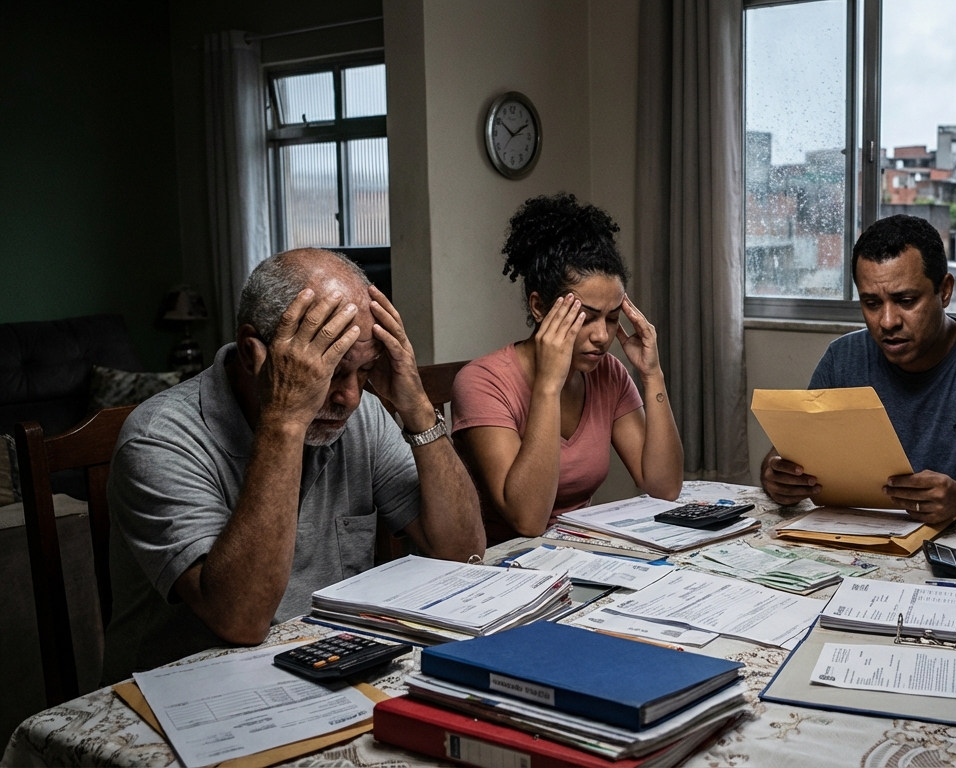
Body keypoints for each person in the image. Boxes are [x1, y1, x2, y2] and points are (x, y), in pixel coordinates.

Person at [103, 249, 484, 682]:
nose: (351, 398)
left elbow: (463, 555)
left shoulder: (363, 414)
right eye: (330, 372)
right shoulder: (159, 437)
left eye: (365, 371)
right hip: (186, 686)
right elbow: (241, 620)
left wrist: (415, 405)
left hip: (325, 661)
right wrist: (285, 420)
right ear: (252, 354)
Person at [760, 214, 956, 524]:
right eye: (871, 303)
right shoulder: (842, 359)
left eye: (906, 300)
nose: (887, 321)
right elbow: (781, 457)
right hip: (859, 538)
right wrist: (776, 477)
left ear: (945, 290)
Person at [453, 193, 683, 543]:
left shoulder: (608, 373)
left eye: (611, 318)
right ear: (539, 307)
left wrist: (653, 374)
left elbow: (664, 487)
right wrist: (548, 385)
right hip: (500, 564)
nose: (602, 336)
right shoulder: (482, 382)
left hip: (578, 553)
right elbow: (528, 520)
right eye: (586, 317)